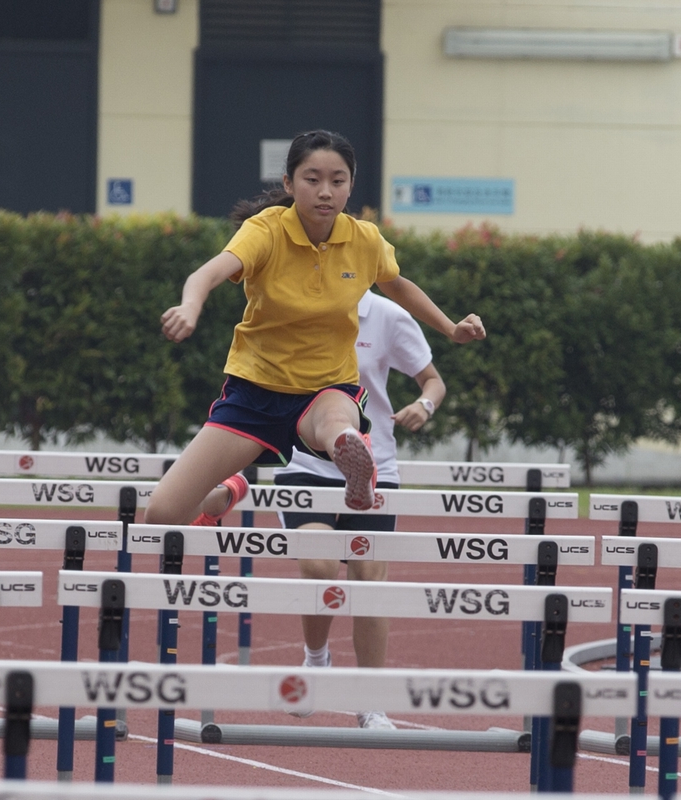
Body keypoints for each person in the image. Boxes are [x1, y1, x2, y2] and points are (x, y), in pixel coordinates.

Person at [145, 128, 483, 537]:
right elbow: (209, 272)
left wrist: (451, 328)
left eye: (338, 181)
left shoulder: (364, 239)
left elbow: (396, 283)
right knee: (160, 515)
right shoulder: (266, 230)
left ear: (350, 186)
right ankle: (226, 494)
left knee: (335, 417)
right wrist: (189, 306)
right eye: (312, 179)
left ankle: (351, 452)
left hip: (326, 388)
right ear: (289, 183)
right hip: (255, 393)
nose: (325, 191)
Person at [275, 288, 445, 730]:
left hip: (374, 465)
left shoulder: (386, 315)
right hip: (306, 462)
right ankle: (317, 661)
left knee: (368, 578)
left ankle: (372, 703)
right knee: (318, 565)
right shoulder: (295, 299)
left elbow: (433, 380)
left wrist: (424, 405)